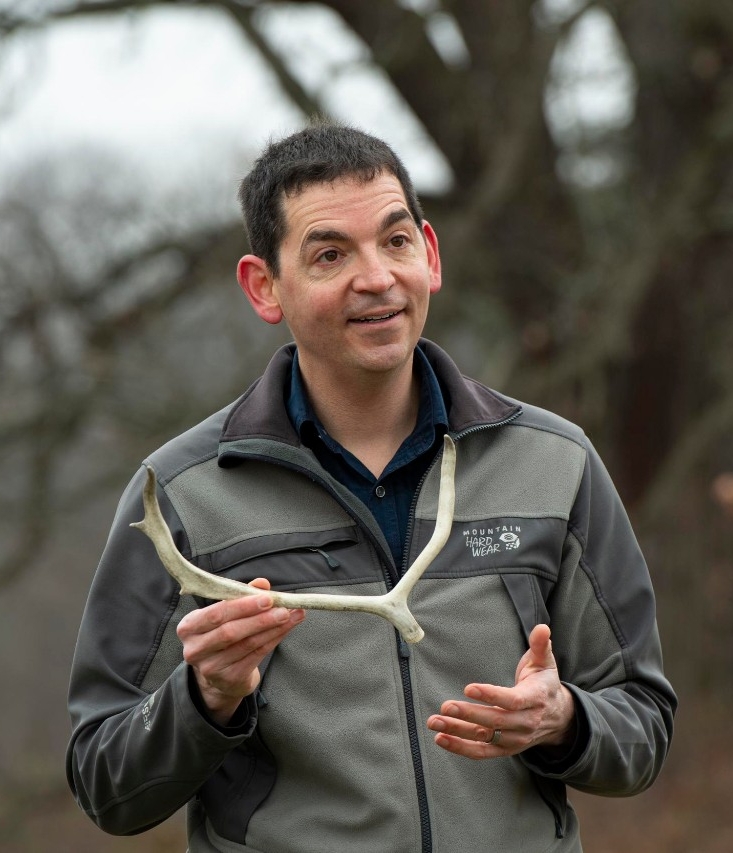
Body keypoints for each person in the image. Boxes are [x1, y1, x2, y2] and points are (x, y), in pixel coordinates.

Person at [66, 123, 676, 853]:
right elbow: (106, 782)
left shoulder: (555, 462)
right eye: (330, 254)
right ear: (265, 286)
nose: (377, 278)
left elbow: (642, 722)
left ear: (430, 254)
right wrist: (205, 699)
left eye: (394, 242)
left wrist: (563, 719)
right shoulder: (179, 496)